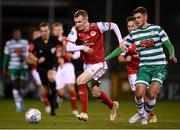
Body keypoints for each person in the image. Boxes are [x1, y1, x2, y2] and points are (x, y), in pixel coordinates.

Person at [65, 10, 127, 121]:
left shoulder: (98, 26)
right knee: (96, 92)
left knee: (80, 80)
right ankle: (112, 105)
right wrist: (82, 47)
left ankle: (84, 113)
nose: (77, 24)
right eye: (76, 22)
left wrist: (120, 41)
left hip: (99, 64)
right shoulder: (75, 29)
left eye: (79, 22)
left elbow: (114, 26)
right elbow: (68, 47)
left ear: (86, 20)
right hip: (87, 65)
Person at [124, 7, 177, 125]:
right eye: (135, 18)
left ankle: (145, 116)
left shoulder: (157, 29)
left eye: (139, 17)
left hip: (159, 66)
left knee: (152, 94)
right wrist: (106, 58)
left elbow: (168, 44)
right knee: (138, 94)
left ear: (145, 17)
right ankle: (141, 112)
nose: (136, 20)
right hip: (144, 68)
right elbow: (121, 49)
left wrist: (172, 54)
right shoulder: (134, 34)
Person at [117, 16, 157, 123]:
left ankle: (148, 114)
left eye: (132, 26)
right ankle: (144, 116)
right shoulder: (126, 40)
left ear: (138, 25)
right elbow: (120, 57)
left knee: (149, 94)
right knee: (140, 93)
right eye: (128, 26)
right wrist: (126, 59)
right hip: (133, 70)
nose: (130, 28)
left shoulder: (146, 36)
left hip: (146, 69)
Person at [28, 22, 62, 116]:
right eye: (42, 31)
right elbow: (29, 53)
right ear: (40, 31)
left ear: (49, 31)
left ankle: (55, 99)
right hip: (41, 68)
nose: (44, 33)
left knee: (51, 78)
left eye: (46, 31)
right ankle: (52, 108)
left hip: (52, 64)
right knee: (46, 91)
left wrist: (62, 55)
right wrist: (37, 59)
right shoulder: (36, 42)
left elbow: (63, 43)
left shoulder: (53, 39)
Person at [51, 22, 79, 116]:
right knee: (60, 92)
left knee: (71, 88)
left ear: (62, 30)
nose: (58, 31)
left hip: (68, 66)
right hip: (57, 68)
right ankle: (60, 98)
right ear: (53, 31)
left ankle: (74, 109)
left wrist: (70, 55)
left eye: (59, 29)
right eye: (56, 30)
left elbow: (77, 53)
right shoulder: (50, 42)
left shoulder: (67, 40)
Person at [3, 29, 29, 112]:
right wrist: (4, 67)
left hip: (23, 67)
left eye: (18, 34)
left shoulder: (25, 42)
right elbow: (6, 55)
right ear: (13, 35)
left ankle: (21, 100)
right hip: (13, 67)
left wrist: (23, 56)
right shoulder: (9, 43)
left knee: (22, 86)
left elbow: (28, 54)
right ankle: (18, 104)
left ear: (20, 34)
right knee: (15, 85)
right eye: (15, 34)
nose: (17, 35)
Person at [27, 30, 50, 113]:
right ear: (33, 37)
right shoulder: (30, 46)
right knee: (42, 87)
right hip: (36, 70)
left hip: (47, 69)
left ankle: (47, 98)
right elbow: (27, 60)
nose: (36, 36)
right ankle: (47, 104)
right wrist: (36, 61)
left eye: (38, 35)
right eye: (35, 35)